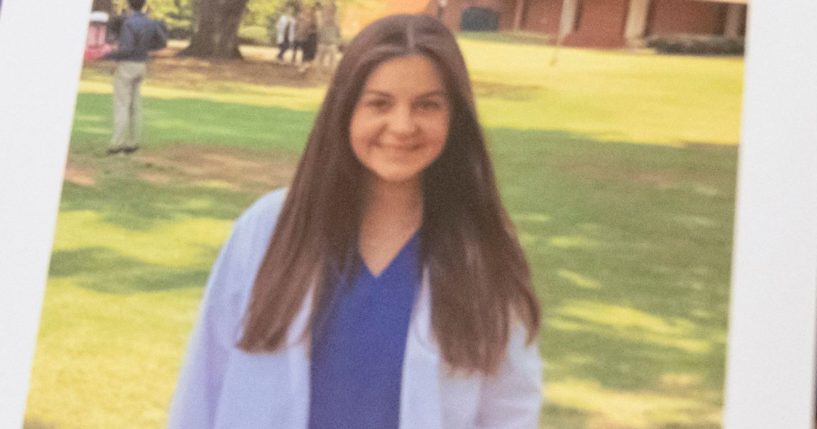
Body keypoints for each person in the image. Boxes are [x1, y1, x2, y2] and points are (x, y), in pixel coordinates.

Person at [168, 14, 542, 429]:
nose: (402, 126)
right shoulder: (268, 230)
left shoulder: (481, 249)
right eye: (379, 103)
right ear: (345, 111)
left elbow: (509, 409)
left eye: (427, 105)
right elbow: (204, 382)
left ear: (455, 118)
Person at [103, 0, 166, 155]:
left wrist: (109, 56)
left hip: (127, 64)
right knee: (135, 104)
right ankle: (133, 141)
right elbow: (162, 42)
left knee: (122, 104)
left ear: (129, 4)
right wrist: (144, 49)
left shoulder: (128, 23)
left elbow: (126, 48)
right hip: (141, 64)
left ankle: (117, 143)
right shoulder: (151, 22)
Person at [314, 2, 341, 76]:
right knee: (321, 60)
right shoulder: (322, 19)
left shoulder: (335, 20)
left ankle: (332, 74)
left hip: (331, 44)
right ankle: (319, 74)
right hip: (323, 43)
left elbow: (338, 31)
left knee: (332, 61)